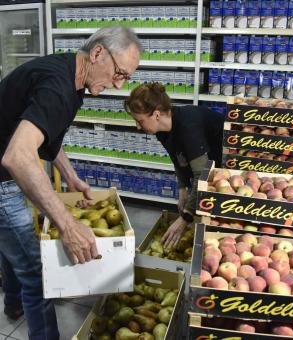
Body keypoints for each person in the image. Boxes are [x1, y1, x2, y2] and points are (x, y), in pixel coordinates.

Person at [0, 26, 141, 339]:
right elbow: (18, 156)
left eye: (126, 78)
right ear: (98, 53)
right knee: (37, 274)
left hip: (4, 170)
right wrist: (67, 225)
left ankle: (13, 304)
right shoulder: (59, 88)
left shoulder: (72, 78)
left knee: (13, 247)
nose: (119, 84)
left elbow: (44, 130)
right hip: (2, 176)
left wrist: (69, 175)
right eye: (120, 73)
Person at [124, 82, 224, 249]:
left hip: (226, 163)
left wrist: (185, 218)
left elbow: (203, 175)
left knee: (214, 215)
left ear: (156, 115)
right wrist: (182, 189)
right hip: (207, 165)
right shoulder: (162, 131)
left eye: (139, 120)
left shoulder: (187, 127)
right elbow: (178, 157)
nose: (137, 126)